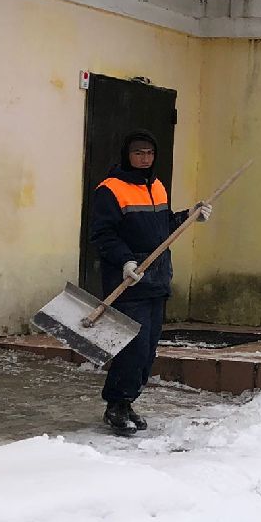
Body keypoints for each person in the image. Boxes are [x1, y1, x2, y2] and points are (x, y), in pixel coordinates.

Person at [90, 130, 212, 434]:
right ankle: (116, 405)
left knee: (148, 350)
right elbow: (103, 234)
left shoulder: (156, 186)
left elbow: (163, 225)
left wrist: (189, 215)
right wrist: (125, 261)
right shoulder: (110, 189)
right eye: (138, 153)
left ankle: (128, 401)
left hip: (157, 278)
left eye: (149, 153)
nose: (145, 158)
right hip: (130, 279)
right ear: (127, 155)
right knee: (133, 346)